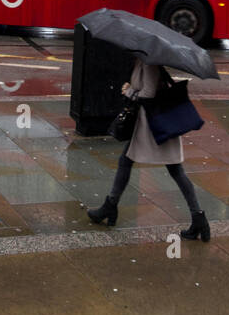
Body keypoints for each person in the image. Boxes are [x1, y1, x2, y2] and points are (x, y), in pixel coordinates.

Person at [88, 59, 210, 240]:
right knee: (129, 161)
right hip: (152, 125)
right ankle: (199, 219)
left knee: (170, 169)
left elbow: (148, 93)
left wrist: (128, 91)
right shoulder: (142, 59)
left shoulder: (149, 62)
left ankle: (110, 207)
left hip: (154, 126)